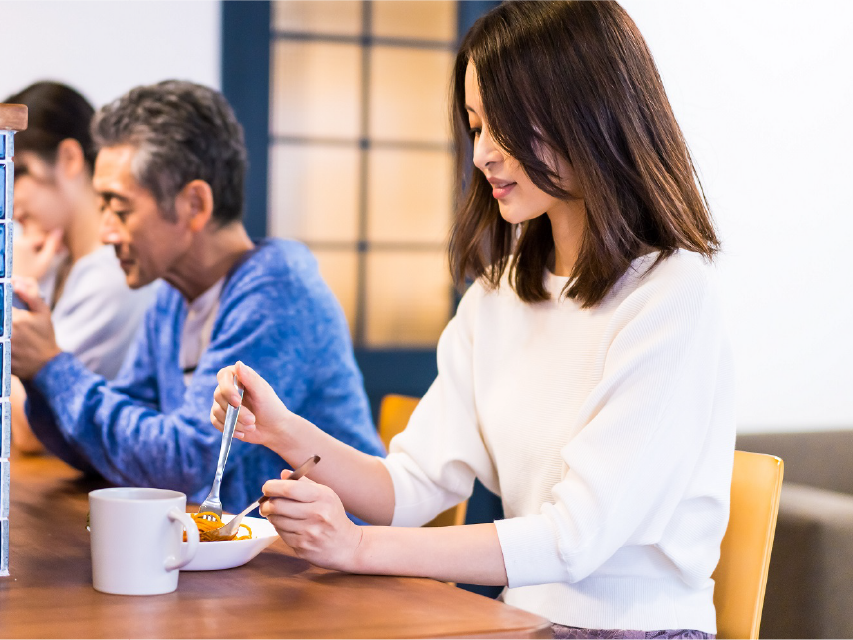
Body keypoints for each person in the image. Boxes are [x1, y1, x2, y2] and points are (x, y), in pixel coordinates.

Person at [210, 1, 734, 637]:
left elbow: (573, 540)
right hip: (517, 623)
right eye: (474, 125)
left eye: (504, 127)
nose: (483, 153)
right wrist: (284, 431)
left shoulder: (671, 294)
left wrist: (355, 548)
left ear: (590, 115)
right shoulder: (499, 295)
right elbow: (408, 488)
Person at [10, 81, 384, 514]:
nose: (106, 231)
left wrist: (53, 368)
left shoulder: (276, 293)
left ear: (194, 203)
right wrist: (40, 375)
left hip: (338, 570)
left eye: (119, 208)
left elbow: (187, 466)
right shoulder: (170, 297)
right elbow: (117, 451)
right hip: (252, 562)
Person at [6, 81, 155, 453]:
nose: (8, 197)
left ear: (70, 159)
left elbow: (26, 431)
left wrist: (16, 289)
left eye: (18, 172)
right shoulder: (58, 262)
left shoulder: (113, 275)